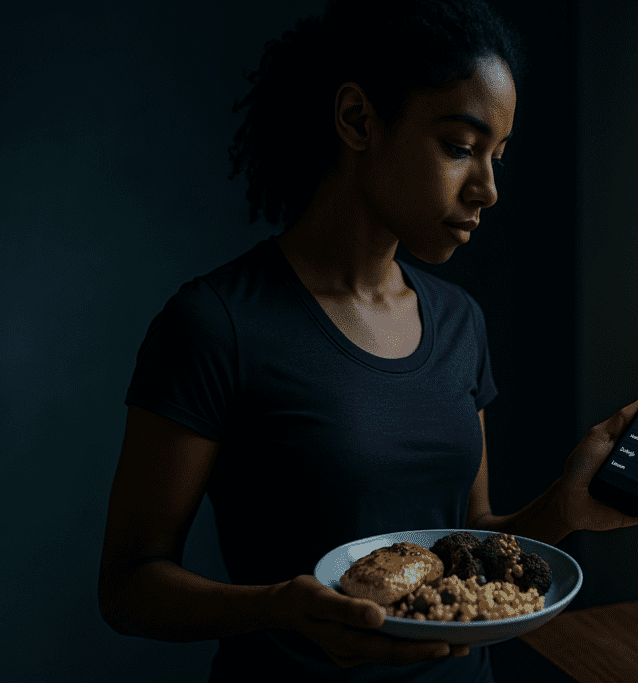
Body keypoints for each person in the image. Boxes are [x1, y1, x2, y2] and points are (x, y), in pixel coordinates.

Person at [98, 0, 529, 680]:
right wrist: (277, 608)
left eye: (497, 156)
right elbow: (128, 586)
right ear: (358, 119)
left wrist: (571, 502)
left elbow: (471, 540)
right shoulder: (216, 324)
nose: (489, 189)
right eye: (459, 146)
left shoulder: (459, 320)